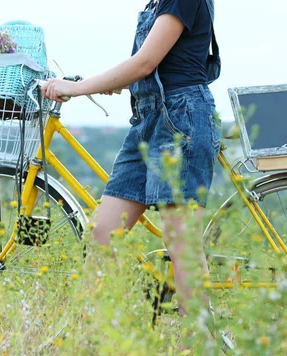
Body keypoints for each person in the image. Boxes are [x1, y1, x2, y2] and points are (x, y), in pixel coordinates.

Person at [42, 0, 221, 320]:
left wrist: (78, 88)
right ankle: (95, 341)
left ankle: (192, 355)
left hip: (181, 120)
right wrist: (113, 83)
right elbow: (154, 65)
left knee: (182, 242)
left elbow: (145, 63)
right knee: (102, 231)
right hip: (148, 120)